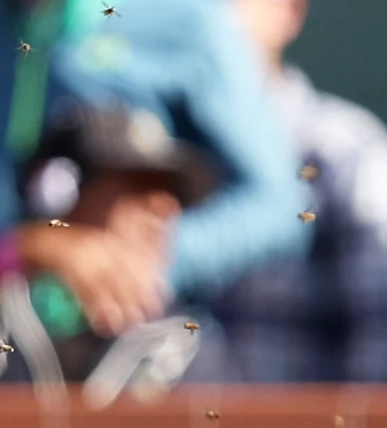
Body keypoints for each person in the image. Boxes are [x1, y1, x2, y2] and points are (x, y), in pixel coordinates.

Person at [0, 0, 306, 340]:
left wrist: (141, 263)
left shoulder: (187, 20)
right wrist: (33, 248)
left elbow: (277, 202)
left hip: (141, 358)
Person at [143, 0, 387, 384]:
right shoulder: (113, 141)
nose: (186, 19)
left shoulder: (349, 152)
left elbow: (380, 369)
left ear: (290, 8)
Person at [0, 103, 232, 402]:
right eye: (137, 184)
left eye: (171, 192)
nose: (164, 207)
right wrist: (25, 248)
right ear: (59, 193)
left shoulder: (187, 345)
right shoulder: (8, 307)